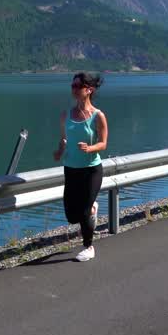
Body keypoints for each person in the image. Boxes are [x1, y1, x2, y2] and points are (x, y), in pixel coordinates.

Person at [53, 72, 109, 262]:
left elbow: (103, 144)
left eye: (78, 86)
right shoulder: (65, 115)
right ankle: (92, 209)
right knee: (71, 215)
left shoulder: (98, 116)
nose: (74, 89)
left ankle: (88, 247)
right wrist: (60, 151)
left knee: (83, 210)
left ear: (89, 90)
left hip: (92, 169)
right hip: (71, 168)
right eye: (73, 86)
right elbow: (64, 139)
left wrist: (90, 148)